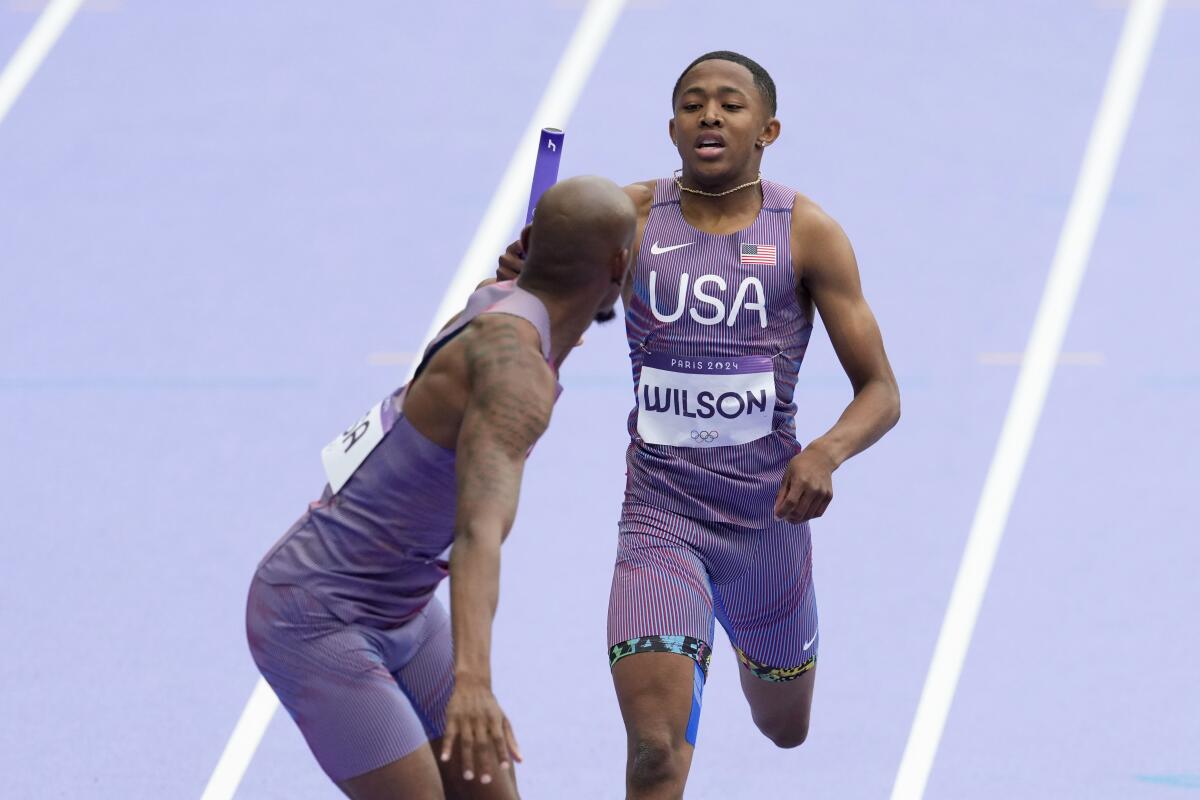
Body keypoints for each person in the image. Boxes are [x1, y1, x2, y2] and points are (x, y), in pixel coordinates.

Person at [499, 51, 901, 798]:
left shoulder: (807, 232)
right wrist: (527, 279)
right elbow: (543, 310)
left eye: (729, 104)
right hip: (661, 519)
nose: (709, 114)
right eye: (692, 103)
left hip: (766, 525)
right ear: (673, 127)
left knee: (785, 726)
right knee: (655, 749)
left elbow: (880, 390)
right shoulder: (630, 220)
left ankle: (753, 643)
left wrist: (826, 452)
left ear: (767, 129)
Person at [247, 176, 636, 800]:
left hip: (402, 604)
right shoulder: (514, 380)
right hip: (317, 615)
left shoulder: (497, 297)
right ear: (620, 264)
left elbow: (602, 230)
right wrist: (474, 682)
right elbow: (478, 533)